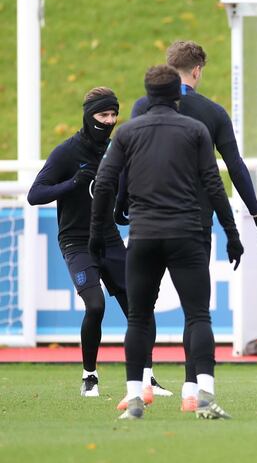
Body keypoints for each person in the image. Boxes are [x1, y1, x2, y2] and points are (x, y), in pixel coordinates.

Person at [126, 40, 257, 412]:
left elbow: (127, 163)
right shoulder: (211, 112)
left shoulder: (141, 108)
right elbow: (234, 168)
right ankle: (192, 390)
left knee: (141, 311)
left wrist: (118, 209)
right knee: (197, 311)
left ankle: (140, 385)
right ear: (197, 70)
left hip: (146, 222)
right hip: (194, 224)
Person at [91, 65, 244, 420]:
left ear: (146, 95)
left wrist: (98, 233)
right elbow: (213, 184)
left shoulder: (128, 132)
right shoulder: (195, 130)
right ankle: (204, 394)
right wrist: (232, 233)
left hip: (144, 235)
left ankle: (134, 399)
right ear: (177, 94)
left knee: (138, 318)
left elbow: (104, 183)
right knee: (198, 315)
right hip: (187, 234)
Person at [27, 87, 162, 400]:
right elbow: (35, 194)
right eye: (104, 115)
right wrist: (73, 183)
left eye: (114, 114)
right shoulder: (66, 152)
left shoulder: (117, 149)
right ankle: (90, 375)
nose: (110, 120)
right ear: (89, 116)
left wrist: (123, 209)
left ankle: (147, 377)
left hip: (110, 239)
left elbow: (125, 188)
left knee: (139, 307)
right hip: (76, 242)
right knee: (96, 306)